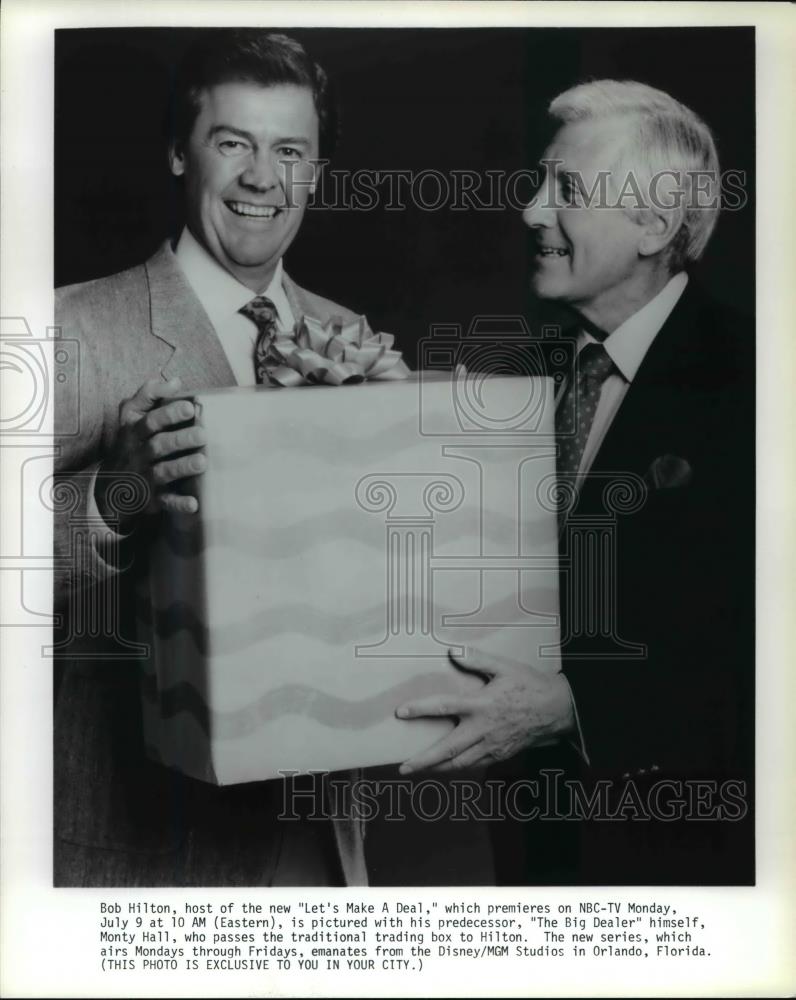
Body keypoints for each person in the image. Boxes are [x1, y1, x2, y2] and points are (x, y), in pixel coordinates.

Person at [53, 29, 392, 887]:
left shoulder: (356, 337)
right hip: (145, 858)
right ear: (178, 153)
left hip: (319, 845)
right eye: (231, 142)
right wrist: (111, 492)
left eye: (290, 151)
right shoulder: (67, 330)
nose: (261, 179)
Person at [396, 80, 754, 883]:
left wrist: (576, 708)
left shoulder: (760, 382)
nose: (529, 209)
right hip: (532, 846)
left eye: (568, 189)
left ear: (654, 225)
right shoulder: (521, 375)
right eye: (538, 181)